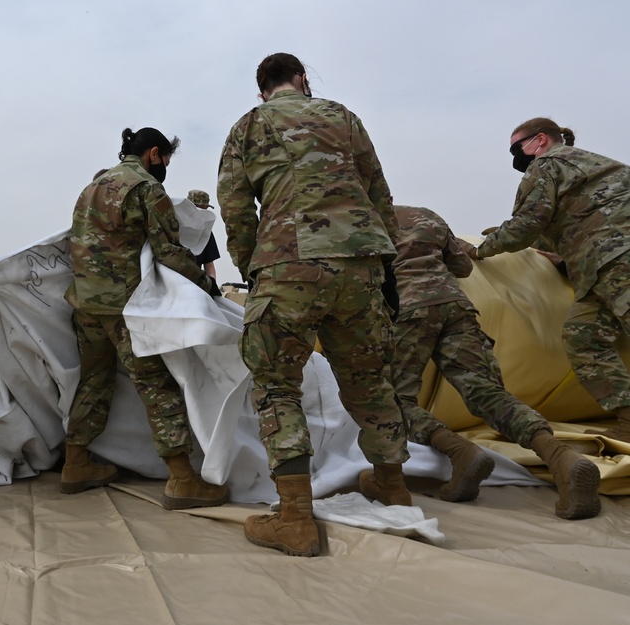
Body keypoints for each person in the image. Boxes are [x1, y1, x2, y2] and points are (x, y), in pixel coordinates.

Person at [218, 52, 410, 557]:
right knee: (369, 377)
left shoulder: (248, 125)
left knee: (277, 384)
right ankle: (393, 485)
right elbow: (378, 192)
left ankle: (296, 518)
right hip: (361, 261)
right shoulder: (343, 116)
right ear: (302, 80)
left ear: (263, 90)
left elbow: (235, 205)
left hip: (289, 264)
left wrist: (251, 266)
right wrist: (383, 262)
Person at [391, 205, 600, 518]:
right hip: (457, 306)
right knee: (486, 392)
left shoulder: (355, 223)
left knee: (394, 402)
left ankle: (460, 451)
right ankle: (560, 457)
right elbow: (463, 268)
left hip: (408, 312)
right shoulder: (424, 216)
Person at [61, 127, 229, 510]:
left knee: (94, 381)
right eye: (166, 159)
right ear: (154, 153)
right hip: (123, 306)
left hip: (85, 302)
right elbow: (168, 250)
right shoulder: (146, 188)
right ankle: (183, 479)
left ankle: (75, 463)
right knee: (155, 384)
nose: (165, 167)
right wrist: (206, 285)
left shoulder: (93, 185)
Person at [473, 120, 630, 430]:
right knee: (583, 337)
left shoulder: (548, 163)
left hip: (618, 258)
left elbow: (527, 224)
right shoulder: (597, 166)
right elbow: (567, 223)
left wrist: (478, 250)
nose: (517, 157)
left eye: (517, 147)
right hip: (598, 269)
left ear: (540, 140)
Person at [187, 189, 221, 278]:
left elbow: (209, 265)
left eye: (204, 209)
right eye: (197, 208)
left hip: (195, 285)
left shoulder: (206, 233)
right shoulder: (173, 228)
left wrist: (213, 286)